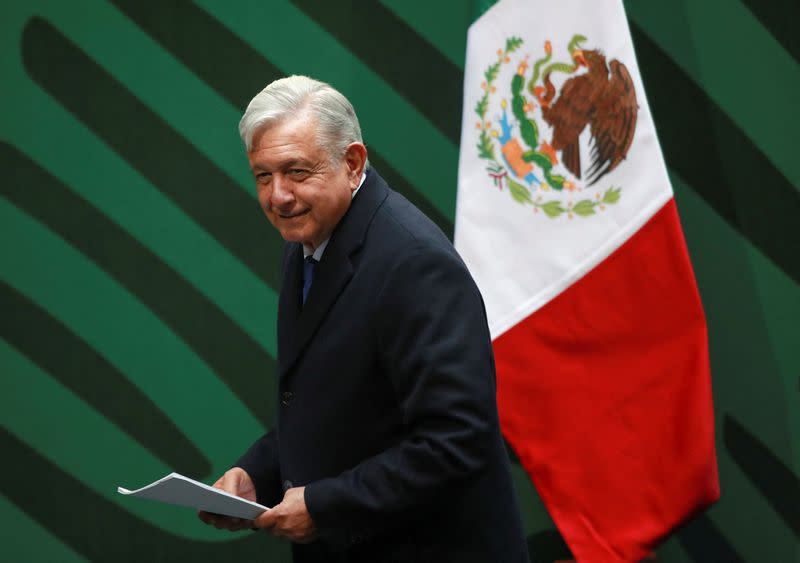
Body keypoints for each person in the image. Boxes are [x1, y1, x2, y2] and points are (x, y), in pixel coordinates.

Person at [199, 75, 529, 562]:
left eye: (296, 171)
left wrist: (325, 506)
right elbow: (331, 409)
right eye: (263, 176)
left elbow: (456, 441)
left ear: (352, 164)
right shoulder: (307, 240)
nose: (279, 196)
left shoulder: (414, 263)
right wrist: (255, 476)